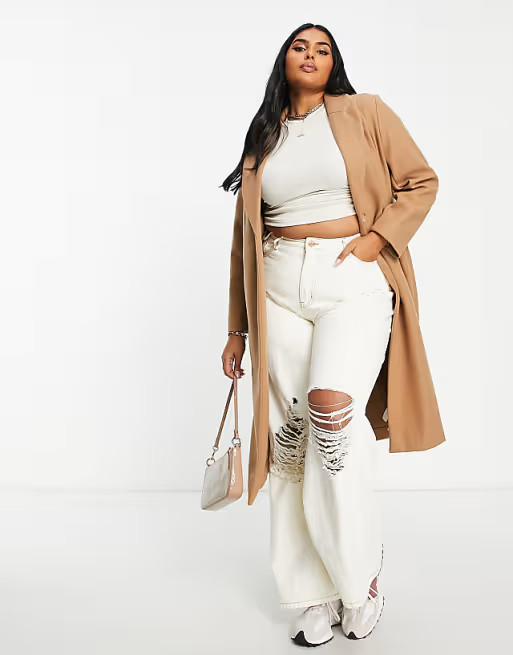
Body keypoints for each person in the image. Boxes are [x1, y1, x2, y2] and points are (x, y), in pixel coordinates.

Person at [220, 22, 444, 645]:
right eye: (301, 46)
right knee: (290, 441)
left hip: (351, 277)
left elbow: (421, 181)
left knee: (332, 418)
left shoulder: (364, 112)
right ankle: (310, 595)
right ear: (284, 60)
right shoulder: (263, 134)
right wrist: (237, 327)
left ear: (334, 63)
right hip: (276, 287)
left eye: (323, 49)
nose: (311, 55)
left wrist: (376, 240)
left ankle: (359, 579)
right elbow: (242, 238)